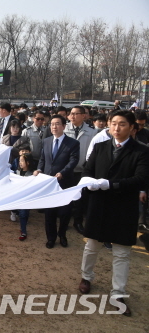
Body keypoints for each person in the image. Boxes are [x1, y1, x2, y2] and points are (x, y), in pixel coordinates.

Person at [79, 110, 149, 316]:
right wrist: (87, 182)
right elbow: (87, 169)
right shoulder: (101, 147)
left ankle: (118, 293)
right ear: (108, 125)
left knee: (122, 252)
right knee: (91, 246)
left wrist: (111, 184)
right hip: (98, 205)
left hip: (123, 208)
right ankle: (86, 277)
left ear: (132, 128)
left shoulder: (141, 151)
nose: (116, 128)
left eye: (122, 124)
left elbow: (141, 179)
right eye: (113, 123)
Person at [34, 115, 79, 249]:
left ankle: (62, 235)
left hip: (65, 183)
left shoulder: (73, 143)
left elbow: (73, 161)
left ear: (64, 126)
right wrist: (39, 169)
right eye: (52, 124)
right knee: (49, 213)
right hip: (49, 183)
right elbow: (43, 159)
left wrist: (62, 173)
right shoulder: (46, 141)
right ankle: (51, 238)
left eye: (57, 124)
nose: (54, 127)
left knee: (65, 213)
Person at [64, 105, 97, 235]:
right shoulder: (64, 129)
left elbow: (93, 153)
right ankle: (64, 221)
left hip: (82, 170)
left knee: (80, 198)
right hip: (66, 169)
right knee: (66, 197)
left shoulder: (92, 132)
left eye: (76, 114)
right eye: (71, 113)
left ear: (83, 116)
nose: (72, 116)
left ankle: (77, 221)